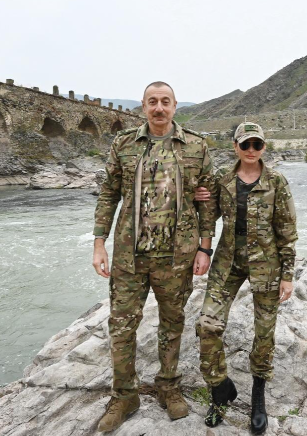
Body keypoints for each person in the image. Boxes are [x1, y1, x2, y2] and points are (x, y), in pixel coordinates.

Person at [92, 81, 216, 432]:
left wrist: (205, 246)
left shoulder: (196, 145)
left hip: (177, 257)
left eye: (165, 102)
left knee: (172, 323)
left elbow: (209, 201)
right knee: (121, 326)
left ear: (175, 106)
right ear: (143, 107)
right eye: (152, 102)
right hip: (130, 256)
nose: (158, 108)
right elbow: (108, 194)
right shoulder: (124, 143)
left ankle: (168, 387)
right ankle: (124, 395)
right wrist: (99, 242)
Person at [194, 122, 298, 434]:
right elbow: (206, 217)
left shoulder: (277, 181)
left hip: (267, 265)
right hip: (228, 263)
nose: (251, 150)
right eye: (245, 145)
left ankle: (257, 396)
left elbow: (288, 230)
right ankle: (220, 389)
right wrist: (196, 196)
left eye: (257, 145)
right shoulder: (221, 179)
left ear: (264, 148)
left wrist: (288, 275)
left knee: (264, 335)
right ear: (235, 147)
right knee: (206, 325)